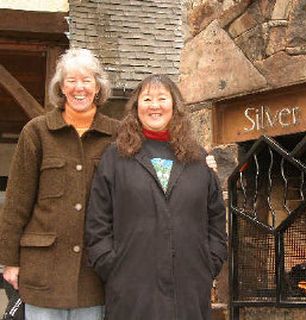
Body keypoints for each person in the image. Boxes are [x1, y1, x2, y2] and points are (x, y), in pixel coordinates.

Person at [0, 49, 217, 320]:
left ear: (98, 87)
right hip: (45, 270)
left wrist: (204, 164)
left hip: (92, 278)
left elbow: (166, 156)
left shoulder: (120, 136)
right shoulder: (37, 132)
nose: (79, 88)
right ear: (60, 87)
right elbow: (17, 201)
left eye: (87, 80)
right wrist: (10, 260)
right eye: (71, 80)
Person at [85, 74, 227, 320]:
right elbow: (98, 220)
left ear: (174, 106)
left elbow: (216, 216)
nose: (154, 105)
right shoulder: (115, 157)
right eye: (147, 98)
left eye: (162, 98)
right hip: (132, 289)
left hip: (189, 287)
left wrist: (209, 262)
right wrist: (112, 265)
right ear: (136, 107)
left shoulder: (198, 158)